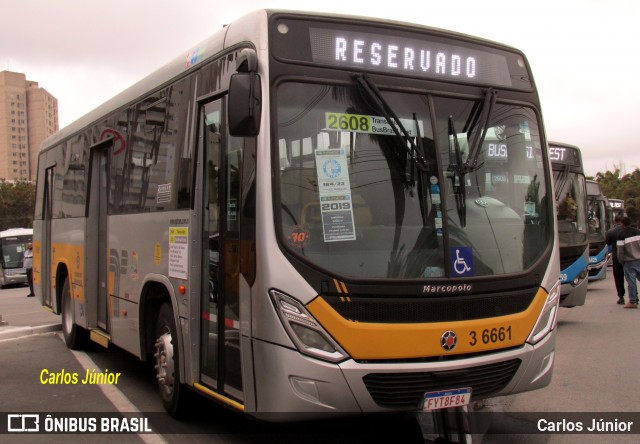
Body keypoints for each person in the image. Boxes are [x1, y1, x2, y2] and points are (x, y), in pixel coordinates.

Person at [616, 217, 640, 309]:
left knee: (631, 281)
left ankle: (633, 302)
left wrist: (621, 261)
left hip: (629, 262)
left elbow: (620, 251)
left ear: (622, 224)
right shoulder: (638, 232)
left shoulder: (621, 234)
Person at [606, 215, 626, 304]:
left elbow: (607, 242)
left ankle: (621, 297)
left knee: (618, 278)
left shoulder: (610, 232)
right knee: (631, 277)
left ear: (615, 221)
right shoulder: (627, 231)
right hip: (628, 258)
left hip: (616, 257)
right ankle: (634, 296)